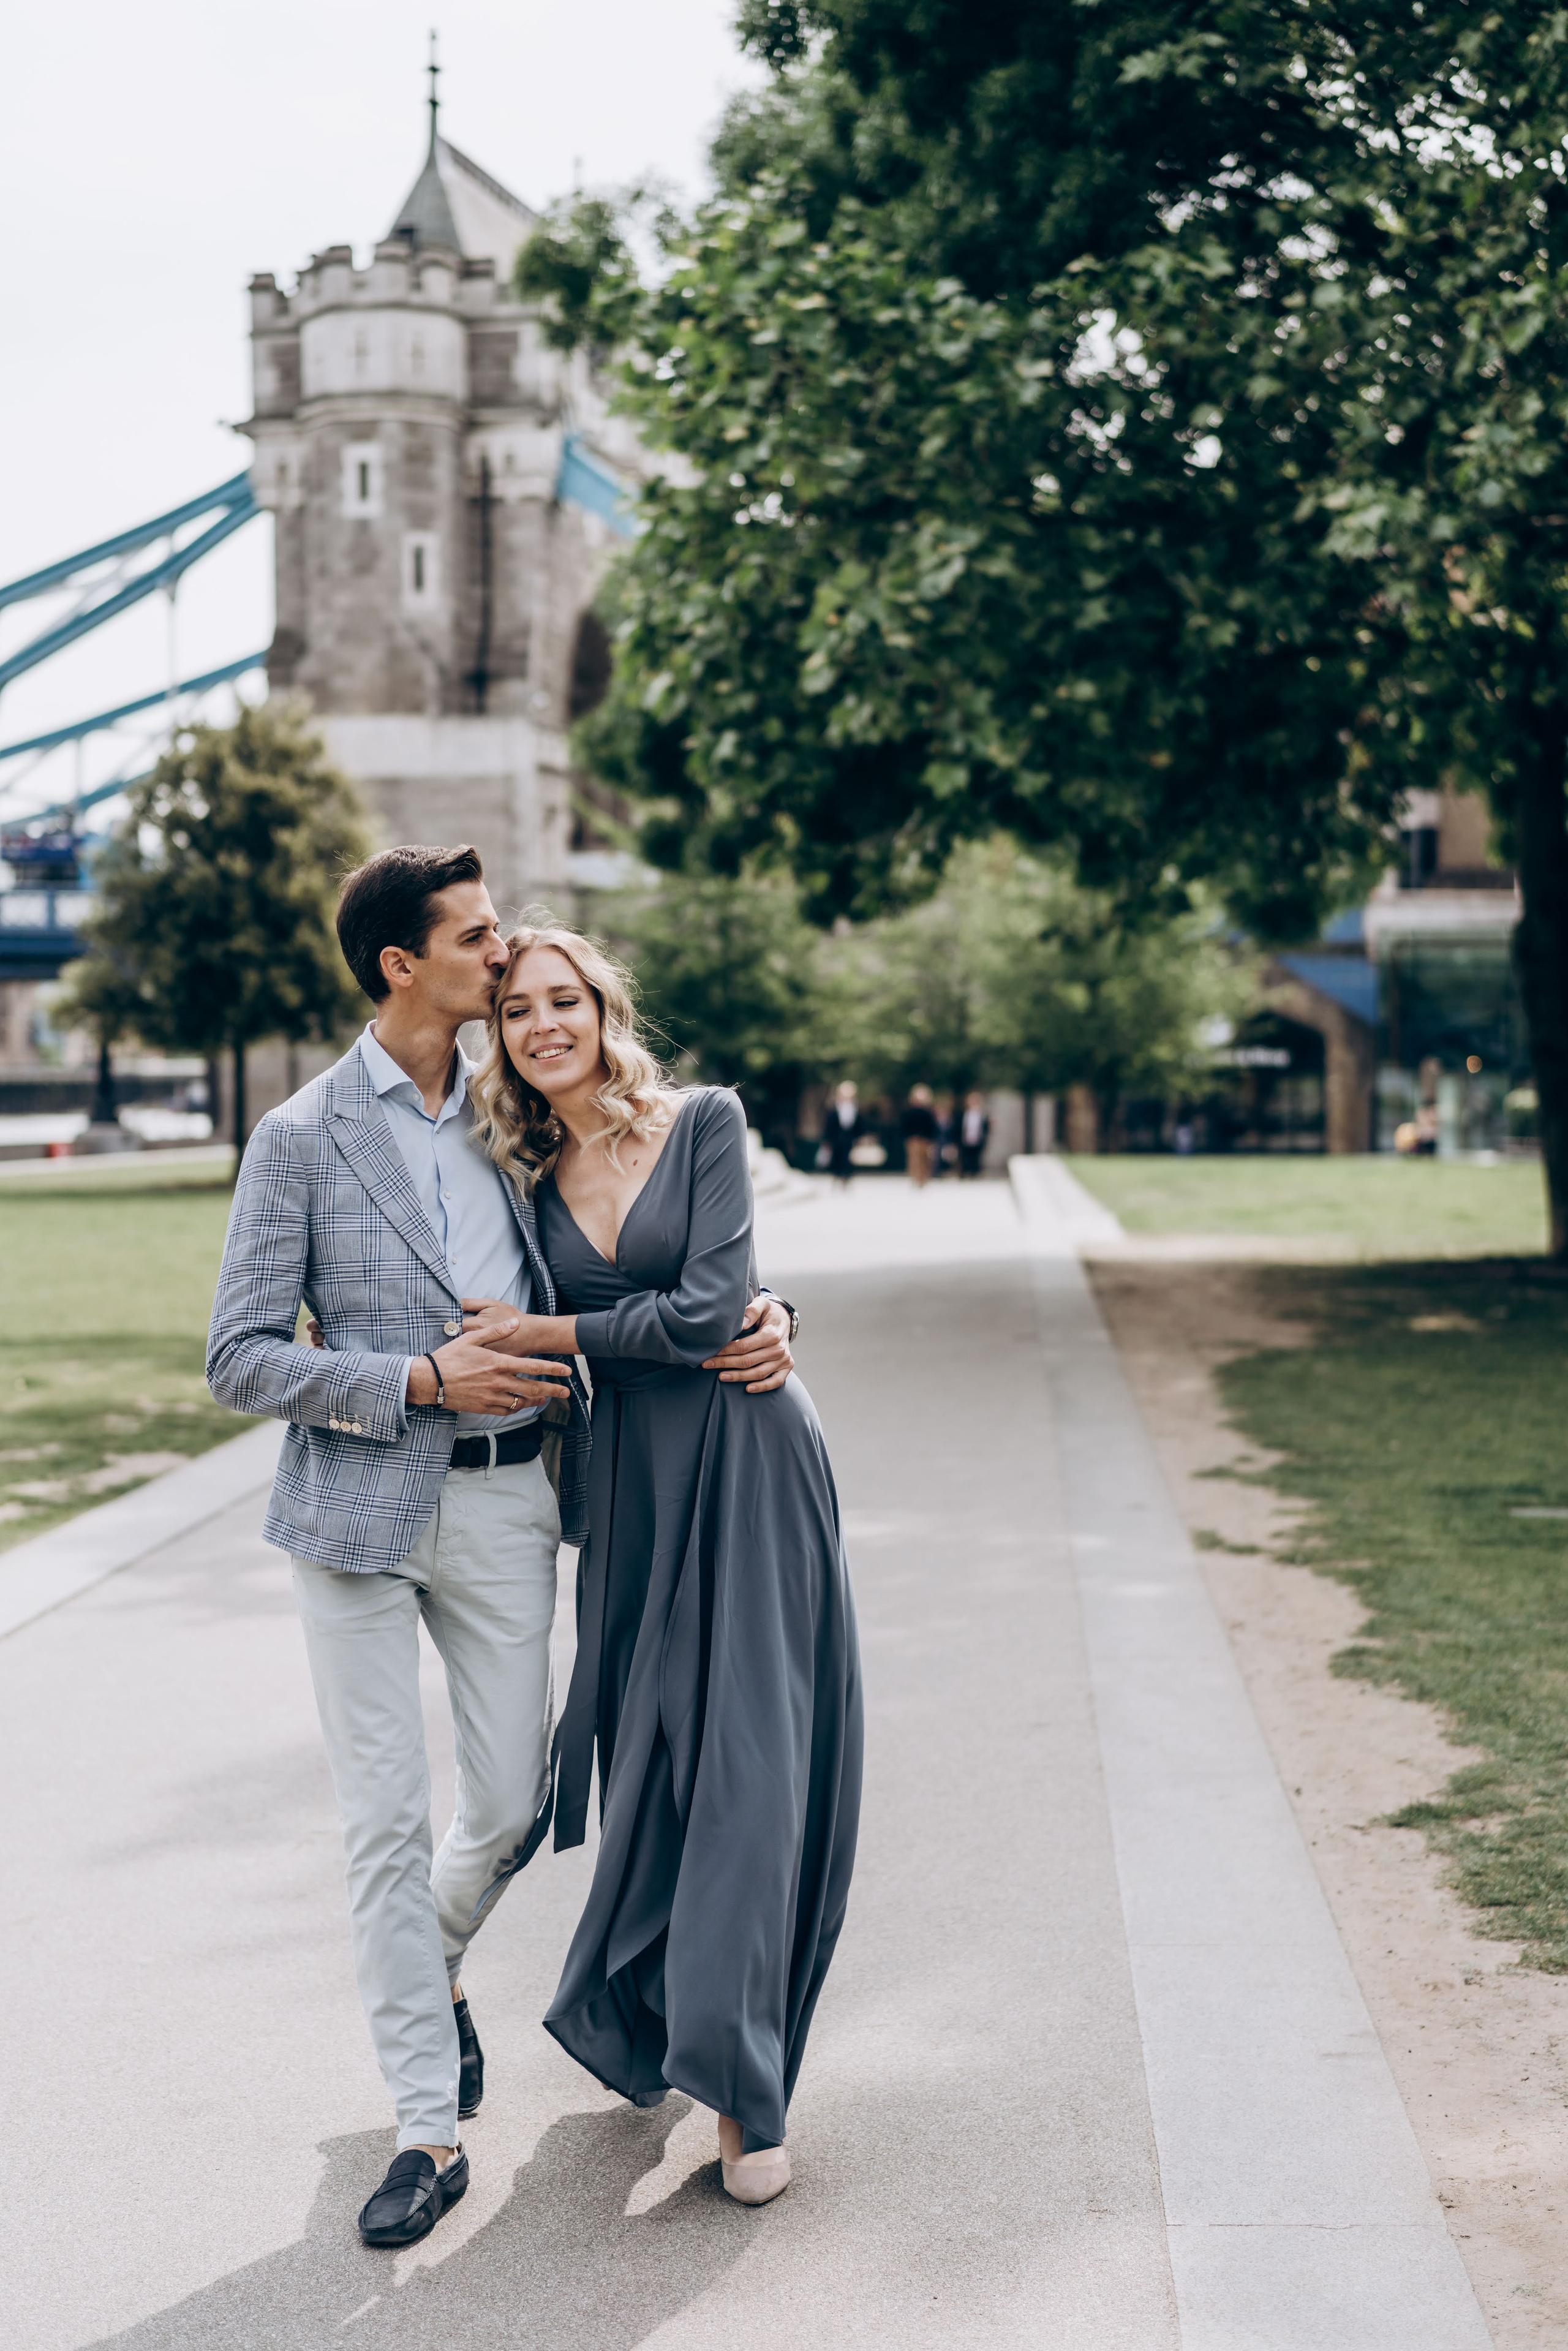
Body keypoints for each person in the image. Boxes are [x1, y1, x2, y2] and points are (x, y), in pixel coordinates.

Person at [206, 845, 794, 2251]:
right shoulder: (299, 1134)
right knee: (385, 1823)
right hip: (354, 1514)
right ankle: (425, 2126)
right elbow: (238, 1356)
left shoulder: (509, 1123)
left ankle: (430, 1969)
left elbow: (628, 1244)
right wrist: (417, 1379)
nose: (502, 954)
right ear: (403, 964)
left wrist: (762, 1307)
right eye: (477, 937)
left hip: (513, 1499)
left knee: (519, 1801)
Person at [463, 920, 863, 2206]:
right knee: (657, 1757)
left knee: (748, 1763)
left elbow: (705, 1310)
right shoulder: (518, 1178)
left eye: (563, 999)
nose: (544, 1024)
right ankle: (659, 2012)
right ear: (499, 1036)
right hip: (634, 1480)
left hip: (749, 1450)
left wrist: (562, 1329)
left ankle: (747, 2090)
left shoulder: (705, 1123)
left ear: (603, 1007)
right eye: (517, 1009)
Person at [822, 1077, 864, 1188]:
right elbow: (829, 1126)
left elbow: (859, 1125)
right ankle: (837, 1177)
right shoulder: (834, 1109)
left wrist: (859, 1137)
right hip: (836, 1138)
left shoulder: (855, 1109)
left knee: (847, 1160)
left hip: (849, 1138)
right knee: (836, 1159)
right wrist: (828, 1140)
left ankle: (846, 1179)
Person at [900, 1084, 938, 1187]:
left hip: (925, 1140)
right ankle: (915, 1178)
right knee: (914, 1160)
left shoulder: (928, 1113)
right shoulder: (910, 1112)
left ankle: (924, 1179)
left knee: (925, 1159)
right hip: (913, 1139)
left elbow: (932, 1127)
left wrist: (932, 1139)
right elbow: (905, 1126)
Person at [958, 1090, 990, 1178]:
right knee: (966, 1157)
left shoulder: (982, 1115)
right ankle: (966, 1172)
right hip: (965, 1139)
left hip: (978, 1139)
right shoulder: (963, 1114)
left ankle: (975, 1172)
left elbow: (986, 1127)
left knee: (976, 1157)